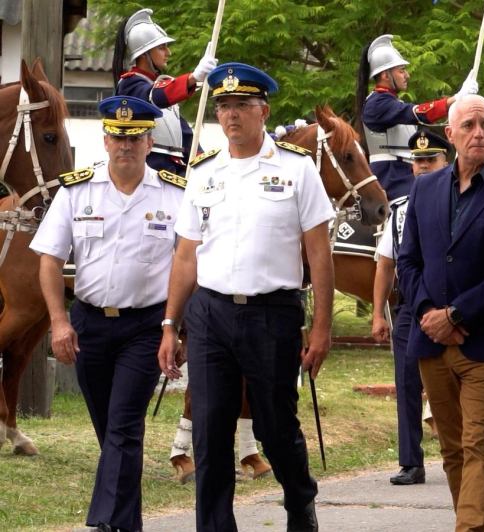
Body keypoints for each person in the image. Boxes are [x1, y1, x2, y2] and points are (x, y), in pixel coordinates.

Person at [156, 63, 335, 531]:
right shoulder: (204, 172)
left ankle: (300, 501)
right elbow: (186, 258)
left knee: (275, 430)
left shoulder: (297, 171)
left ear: (263, 111)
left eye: (241, 106)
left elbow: (319, 254)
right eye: (224, 106)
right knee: (211, 436)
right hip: (211, 315)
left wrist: (321, 330)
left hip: (271, 316)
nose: (231, 115)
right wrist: (170, 324)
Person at [31, 96, 185, 532]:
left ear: (149, 141)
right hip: (89, 324)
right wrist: (59, 321)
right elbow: (48, 260)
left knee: (123, 424)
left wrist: (178, 326)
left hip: (147, 326)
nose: (125, 145)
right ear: (104, 140)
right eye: (117, 136)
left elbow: (188, 265)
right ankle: (128, 521)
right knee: (111, 431)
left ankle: (106, 524)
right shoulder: (76, 190)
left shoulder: (175, 193)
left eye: (135, 137)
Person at [397, 95, 484, 531]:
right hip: (430, 341)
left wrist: (456, 315)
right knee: (453, 449)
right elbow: (409, 260)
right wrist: (428, 313)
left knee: (479, 443)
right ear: (452, 134)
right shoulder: (424, 186)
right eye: (470, 125)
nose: (480, 132)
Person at [371, 129, 452, 486]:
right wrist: (377, 313)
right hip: (409, 309)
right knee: (406, 382)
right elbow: (385, 264)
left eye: (429, 160)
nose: (422, 168)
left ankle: (462, 452)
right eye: (417, 162)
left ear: (445, 162)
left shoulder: (462, 202)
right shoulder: (400, 210)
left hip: (453, 307)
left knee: (456, 381)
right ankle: (411, 462)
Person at [355, 34, 477, 201]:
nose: (407, 75)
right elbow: (420, 112)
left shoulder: (389, 101)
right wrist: (455, 98)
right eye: (401, 70)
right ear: (385, 75)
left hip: (404, 172)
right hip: (390, 177)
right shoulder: (378, 103)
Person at [112, 8, 217, 175]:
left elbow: (186, 136)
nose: (169, 53)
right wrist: (193, 78)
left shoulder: (160, 86)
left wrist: (206, 166)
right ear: (144, 53)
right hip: (149, 168)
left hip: (175, 168)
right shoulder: (130, 84)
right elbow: (157, 96)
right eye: (162, 48)